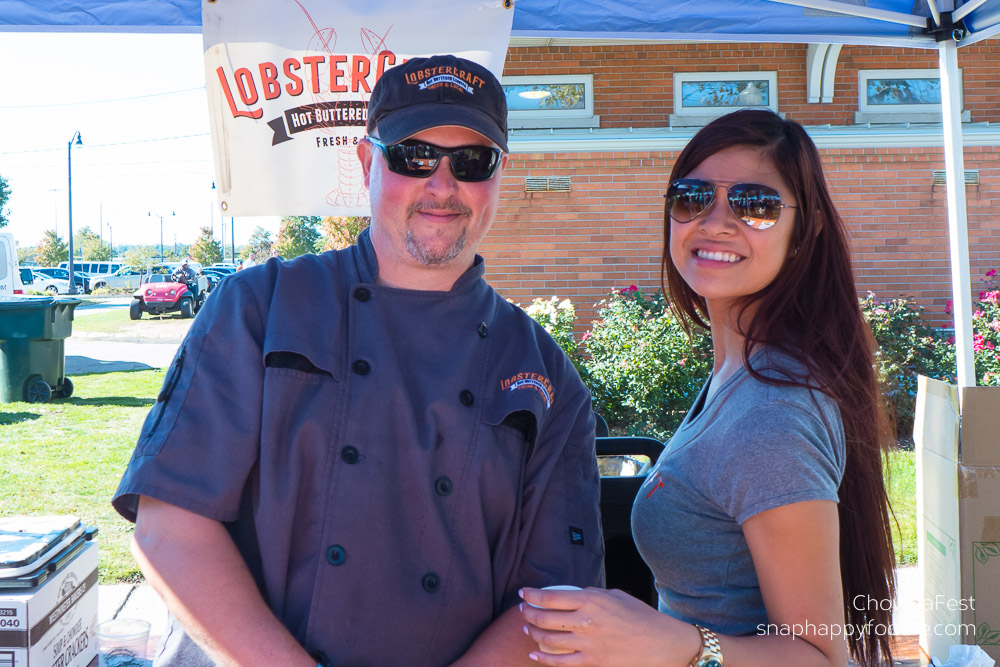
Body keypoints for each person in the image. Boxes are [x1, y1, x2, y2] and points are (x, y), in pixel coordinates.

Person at [112, 54, 603, 667]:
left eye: (471, 162)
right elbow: (170, 527)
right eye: (414, 155)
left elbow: (557, 600)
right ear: (369, 161)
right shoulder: (259, 309)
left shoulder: (546, 375)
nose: (443, 185)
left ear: (498, 177)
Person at [521, 109, 896, 667]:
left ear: (804, 231)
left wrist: (687, 645)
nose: (715, 221)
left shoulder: (771, 416)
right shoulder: (742, 373)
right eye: (693, 197)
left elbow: (822, 658)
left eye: (756, 204)